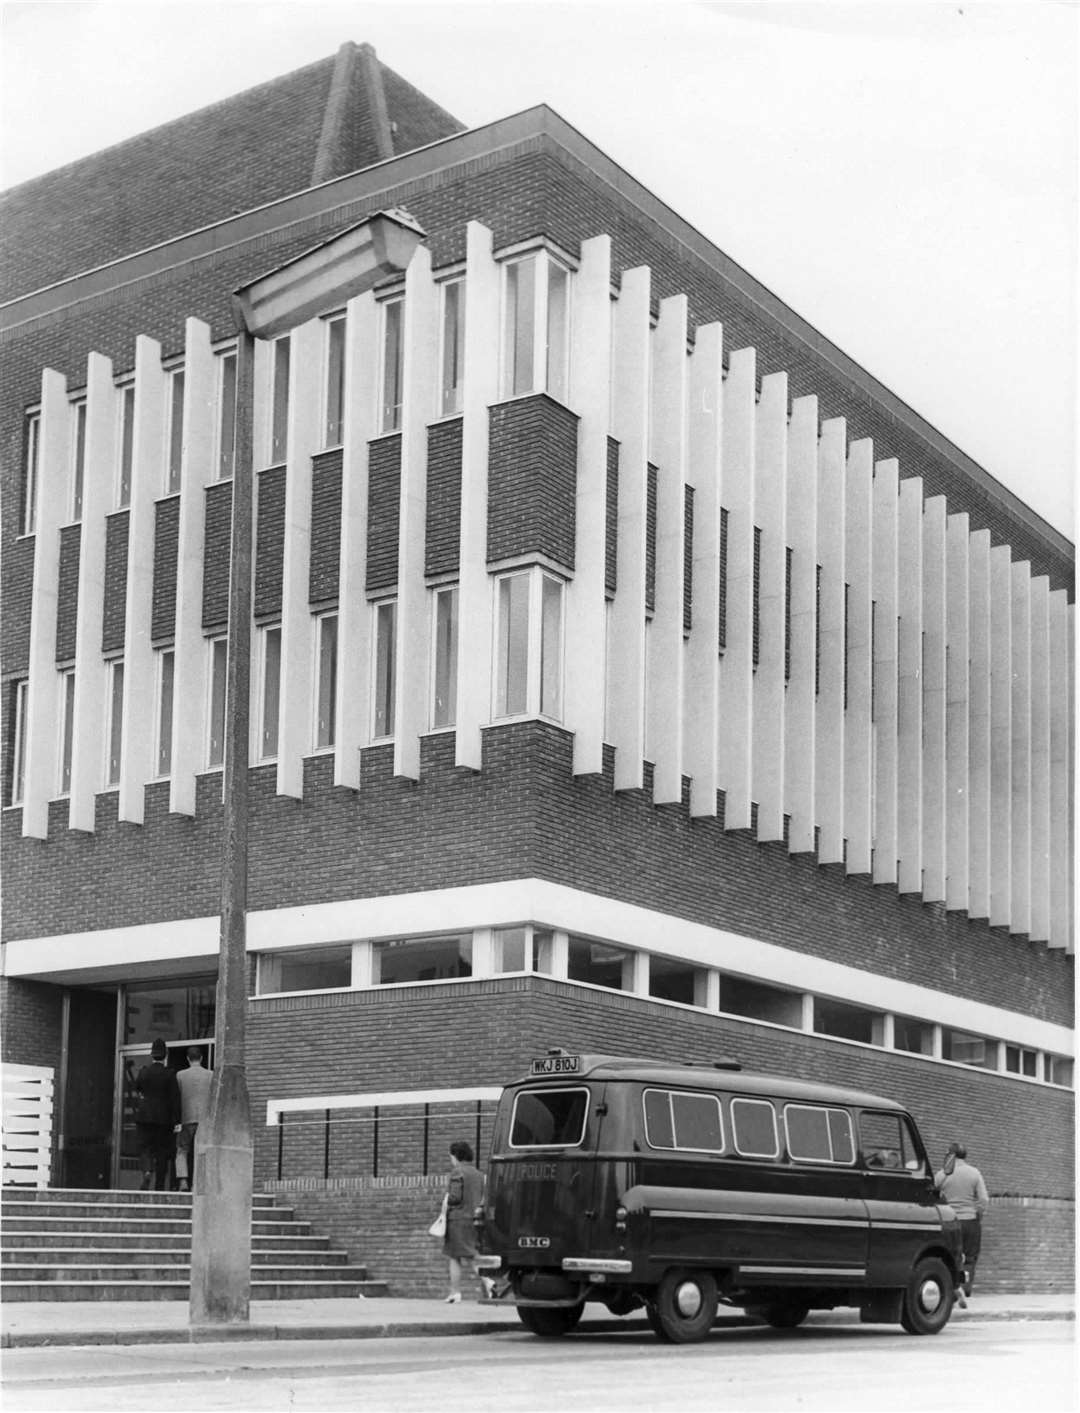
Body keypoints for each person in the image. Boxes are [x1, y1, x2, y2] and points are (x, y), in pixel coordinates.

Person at [935, 1141, 989, 1307]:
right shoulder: (974, 1173)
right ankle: (965, 1289)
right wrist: (978, 1215)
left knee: (948, 1256)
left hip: (949, 1221)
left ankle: (951, 1289)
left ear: (951, 1156)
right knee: (970, 1257)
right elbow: (983, 1200)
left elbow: (933, 1193)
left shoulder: (942, 1174)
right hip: (969, 1220)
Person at [442, 1140, 490, 1303]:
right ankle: (487, 1283)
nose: (451, 1160)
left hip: (458, 1220)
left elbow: (455, 1197)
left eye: (451, 1157)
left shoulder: (457, 1173)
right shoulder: (479, 1175)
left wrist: (445, 1200)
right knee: (471, 1253)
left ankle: (456, 1292)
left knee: (455, 1256)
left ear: (456, 1156)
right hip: (474, 1219)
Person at [134, 1038, 181, 1191]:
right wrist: (177, 1121)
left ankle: (147, 1171)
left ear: (151, 1054)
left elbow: (137, 1087)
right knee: (162, 1151)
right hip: (164, 1120)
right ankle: (159, 1186)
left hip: (144, 1117)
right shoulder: (169, 1074)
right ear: (165, 1055)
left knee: (145, 1147)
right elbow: (175, 1098)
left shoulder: (144, 1072)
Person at [174, 1046, 212, 1193]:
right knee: (202, 1151)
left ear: (188, 1058)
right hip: (204, 1120)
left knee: (182, 1150)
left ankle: (183, 1180)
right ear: (201, 1058)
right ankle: (198, 1183)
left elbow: (176, 1098)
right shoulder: (210, 1075)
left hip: (186, 1118)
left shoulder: (180, 1075)